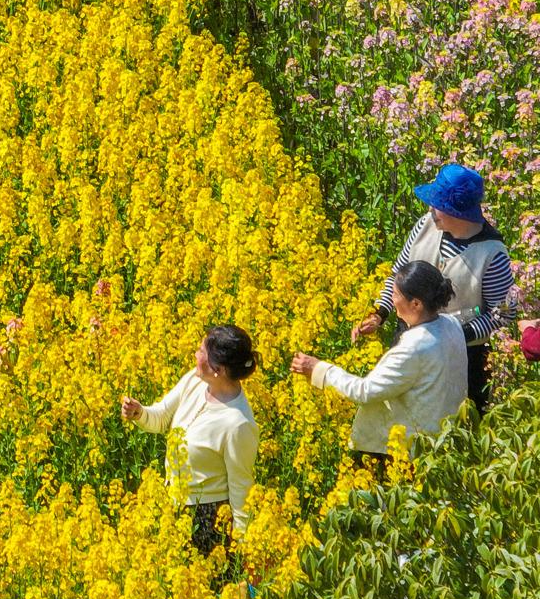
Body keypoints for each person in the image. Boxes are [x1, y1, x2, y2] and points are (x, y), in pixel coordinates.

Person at [350, 164, 513, 413]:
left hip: (460, 360)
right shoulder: (425, 225)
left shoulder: (493, 254)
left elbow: (501, 315)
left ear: (458, 212)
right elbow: (398, 275)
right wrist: (379, 313)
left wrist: (453, 335)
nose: (430, 209)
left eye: (438, 205)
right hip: (407, 345)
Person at [294, 262, 468, 469]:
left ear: (416, 304)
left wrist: (319, 369)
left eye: (395, 295)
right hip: (443, 441)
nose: (392, 302)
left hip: (406, 453)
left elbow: (365, 391)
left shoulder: (415, 347)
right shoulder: (452, 325)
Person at [121, 325, 260, 555]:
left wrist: (243, 548)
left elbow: (241, 489)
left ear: (218, 369)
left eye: (201, 351)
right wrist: (139, 413)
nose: (196, 355)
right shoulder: (195, 382)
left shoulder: (238, 424)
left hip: (208, 522)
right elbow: (163, 415)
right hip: (172, 504)